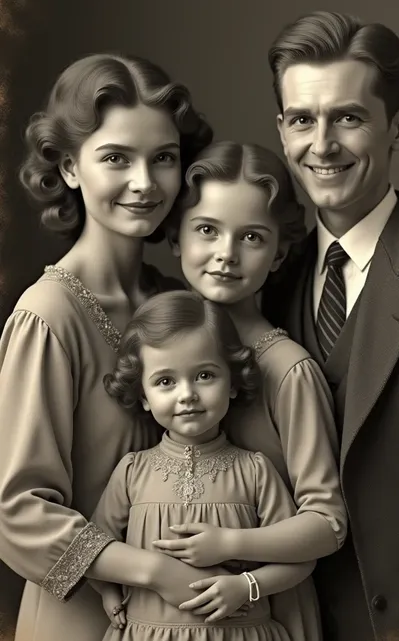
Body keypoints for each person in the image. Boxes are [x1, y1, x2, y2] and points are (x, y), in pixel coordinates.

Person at [261, 10, 399, 641]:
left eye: (348, 118)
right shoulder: (268, 278)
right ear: (281, 131)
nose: (321, 145)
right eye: (303, 119)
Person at [0, 52, 219, 641]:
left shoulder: (173, 301)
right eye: (116, 158)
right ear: (70, 168)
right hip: (80, 620)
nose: (145, 183)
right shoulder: (47, 316)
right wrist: (152, 570)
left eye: (164, 158)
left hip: (185, 619)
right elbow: (18, 513)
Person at [153, 141, 347, 639]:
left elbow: (327, 523)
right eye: (207, 230)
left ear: (279, 251)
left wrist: (231, 545)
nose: (226, 255)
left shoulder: (288, 372)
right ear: (176, 237)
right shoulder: (156, 350)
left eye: (252, 237)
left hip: (270, 610)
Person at [91, 289, 320, 641]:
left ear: (232, 381)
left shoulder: (255, 471)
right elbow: (97, 547)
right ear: (143, 397)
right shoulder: (132, 471)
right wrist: (109, 592)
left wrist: (248, 586)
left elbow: (300, 557)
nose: (187, 395)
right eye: (166, 381)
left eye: (204, 375)